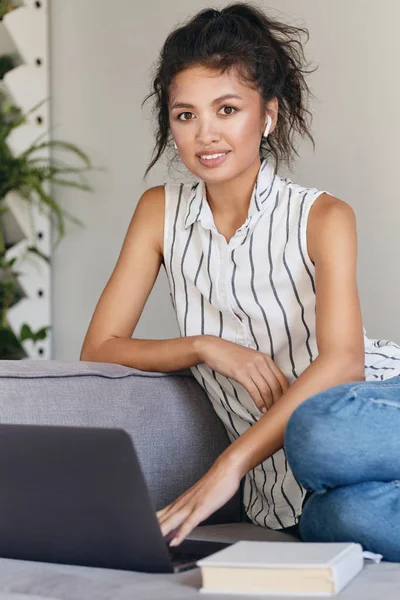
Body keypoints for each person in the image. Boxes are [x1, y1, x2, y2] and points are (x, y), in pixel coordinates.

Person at [80, 3, 400, 561]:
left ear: (267, 116)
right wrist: (206, 346)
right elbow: (99, 349)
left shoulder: (324, 217)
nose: (206, 133)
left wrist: (226, 467)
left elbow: (344, 362)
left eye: (227, 109)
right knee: (348, 519)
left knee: (318, 432)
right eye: (185, 115)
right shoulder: (159, 213)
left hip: (361, 414)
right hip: (287, 491)